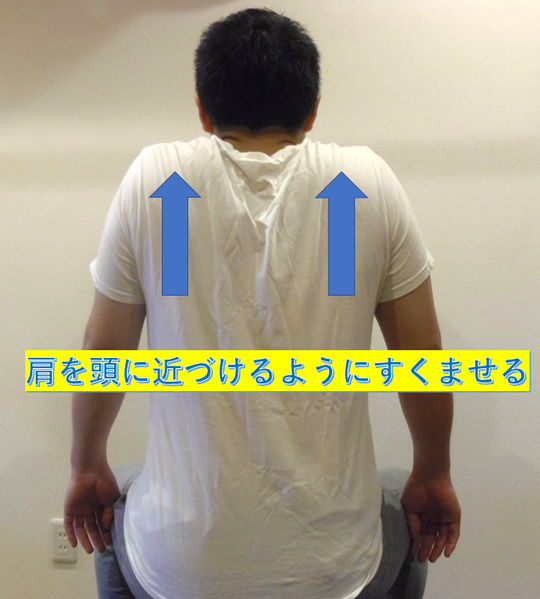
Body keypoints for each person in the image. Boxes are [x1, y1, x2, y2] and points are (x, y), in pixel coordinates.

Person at [64, 8, 461, 599]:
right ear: (312, 110)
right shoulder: (367, 181)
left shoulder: (155, 178)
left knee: (112, 494)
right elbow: (422, 355)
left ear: (203, 110)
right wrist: (435, 472)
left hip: (182, 574)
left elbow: (103, 351)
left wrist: (84, 466)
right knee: (407, 491)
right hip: (335, 574)